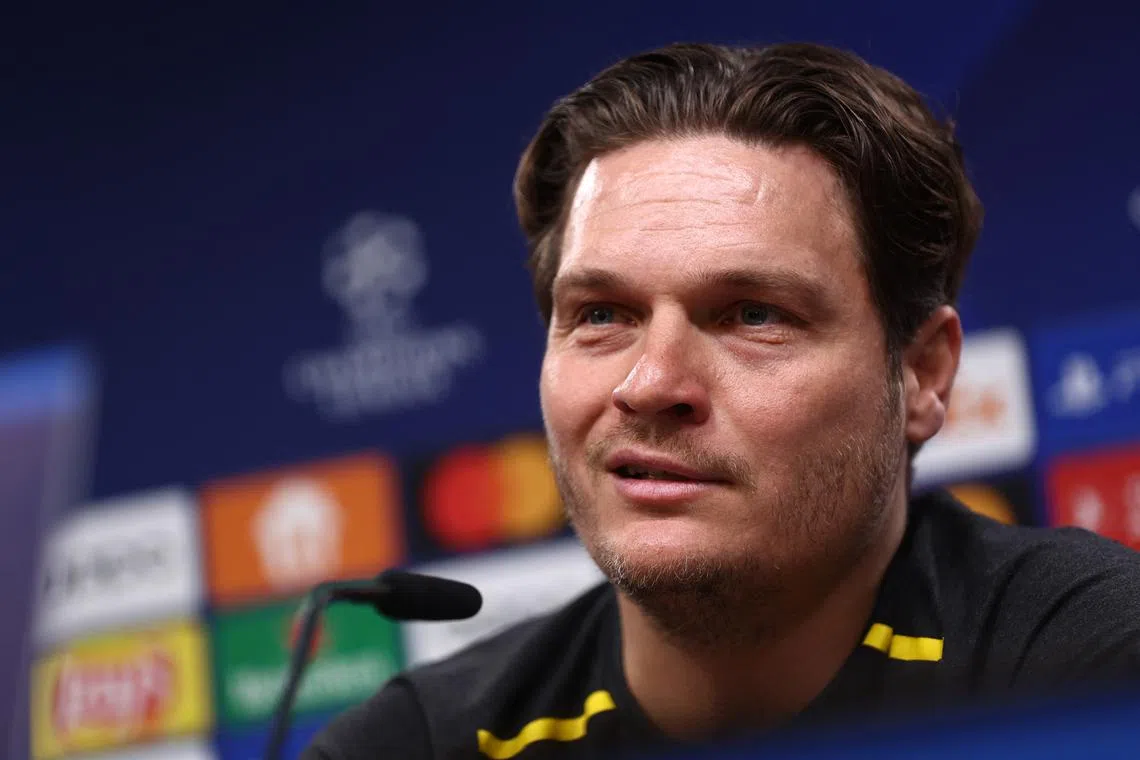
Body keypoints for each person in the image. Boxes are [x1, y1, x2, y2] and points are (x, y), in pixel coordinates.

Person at [302, 41, 1140, 760]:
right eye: (601, 315)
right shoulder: (418, 747)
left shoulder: (1095, 668)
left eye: (752, 315)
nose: (651, 384)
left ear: (920, 374)